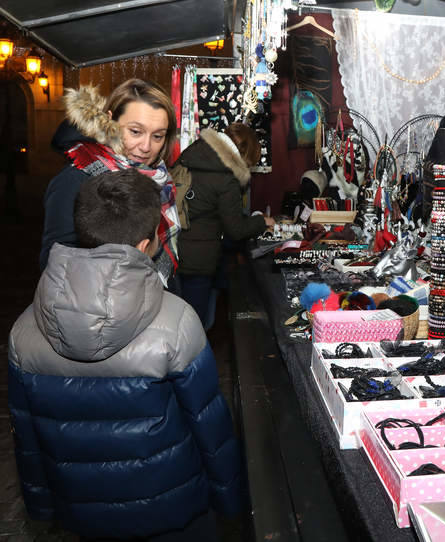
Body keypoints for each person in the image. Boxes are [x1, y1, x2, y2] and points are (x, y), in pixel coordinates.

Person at [9, 170, 243, 540]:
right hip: (171, 509)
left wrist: (41, 510)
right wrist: (231, 503)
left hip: (81, 511)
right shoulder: (177, 320)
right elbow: (209, 427)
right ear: (145, 245)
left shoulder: (24, 330)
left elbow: (27, 438)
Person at [40, 78, 180, 285]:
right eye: (135, 131)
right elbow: (55, 266)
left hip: (154, 304)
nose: (146, 146)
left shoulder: (161, 179)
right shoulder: (76, 179)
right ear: (110, 121)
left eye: (158, 136)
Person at [175, 123, 274, 326]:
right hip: (198, 260)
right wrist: (262, 222)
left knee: (179, 320)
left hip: (174, 249)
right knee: (197, 326)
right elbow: (236, 230)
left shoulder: (194, 152)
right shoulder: (225, 177)